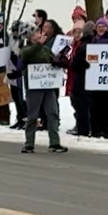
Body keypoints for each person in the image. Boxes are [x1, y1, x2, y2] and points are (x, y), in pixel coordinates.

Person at [20, 20, 70, 154]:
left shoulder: (45, 49)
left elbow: (53, 59)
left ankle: (54, 142)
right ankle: (29, 144)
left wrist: (59, 61)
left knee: (52, 113)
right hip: (34, 87)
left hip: (48, 86)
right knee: (32, 116)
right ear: (30, 36)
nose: (39, 34)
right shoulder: (26, 49)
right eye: (36, 32)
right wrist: (38, 45)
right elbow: (26, 56)